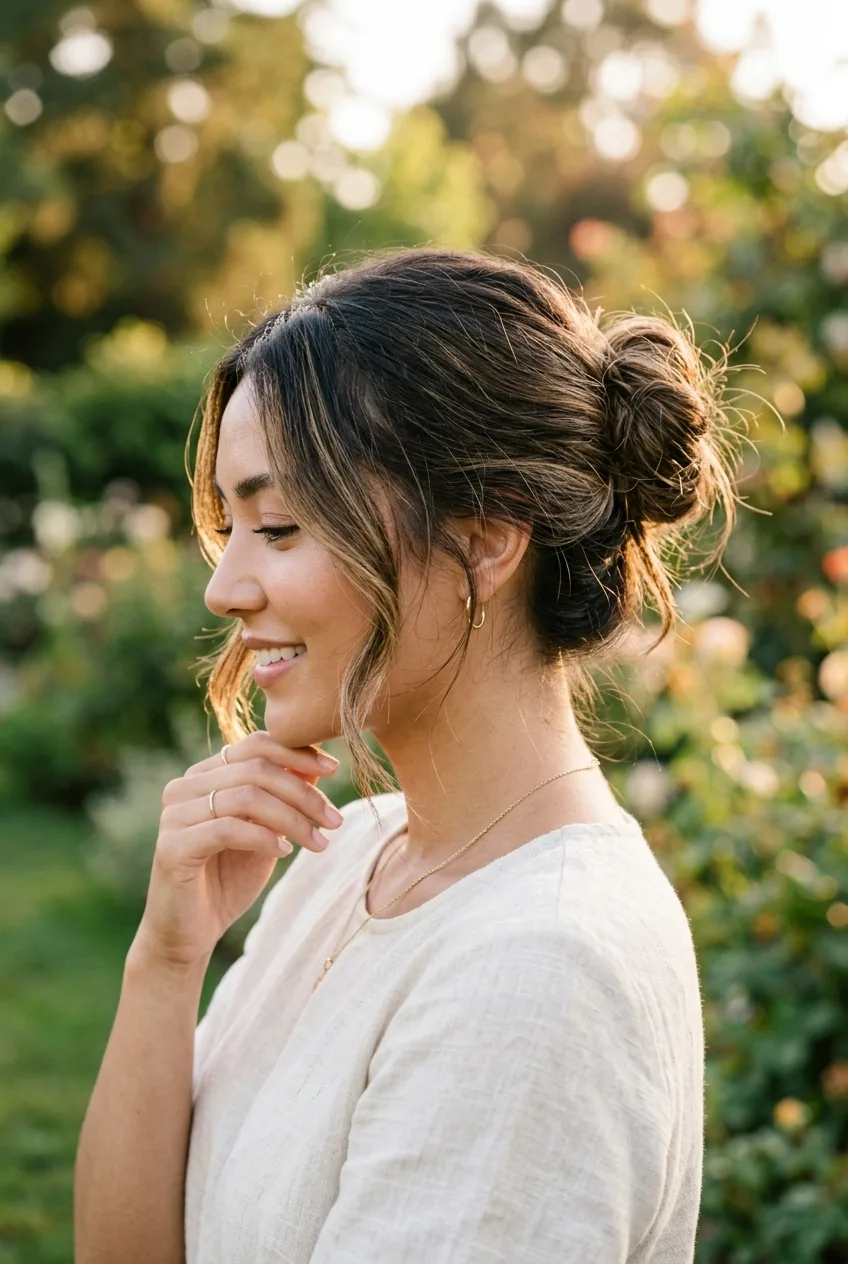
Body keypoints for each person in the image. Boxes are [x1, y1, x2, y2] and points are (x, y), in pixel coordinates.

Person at [75, 246, 743, 1263]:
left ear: (481, 540)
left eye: (281, 525)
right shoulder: (356, 852)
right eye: (233, 525)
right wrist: (164, 961)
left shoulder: (534, 972)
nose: (224, 587)